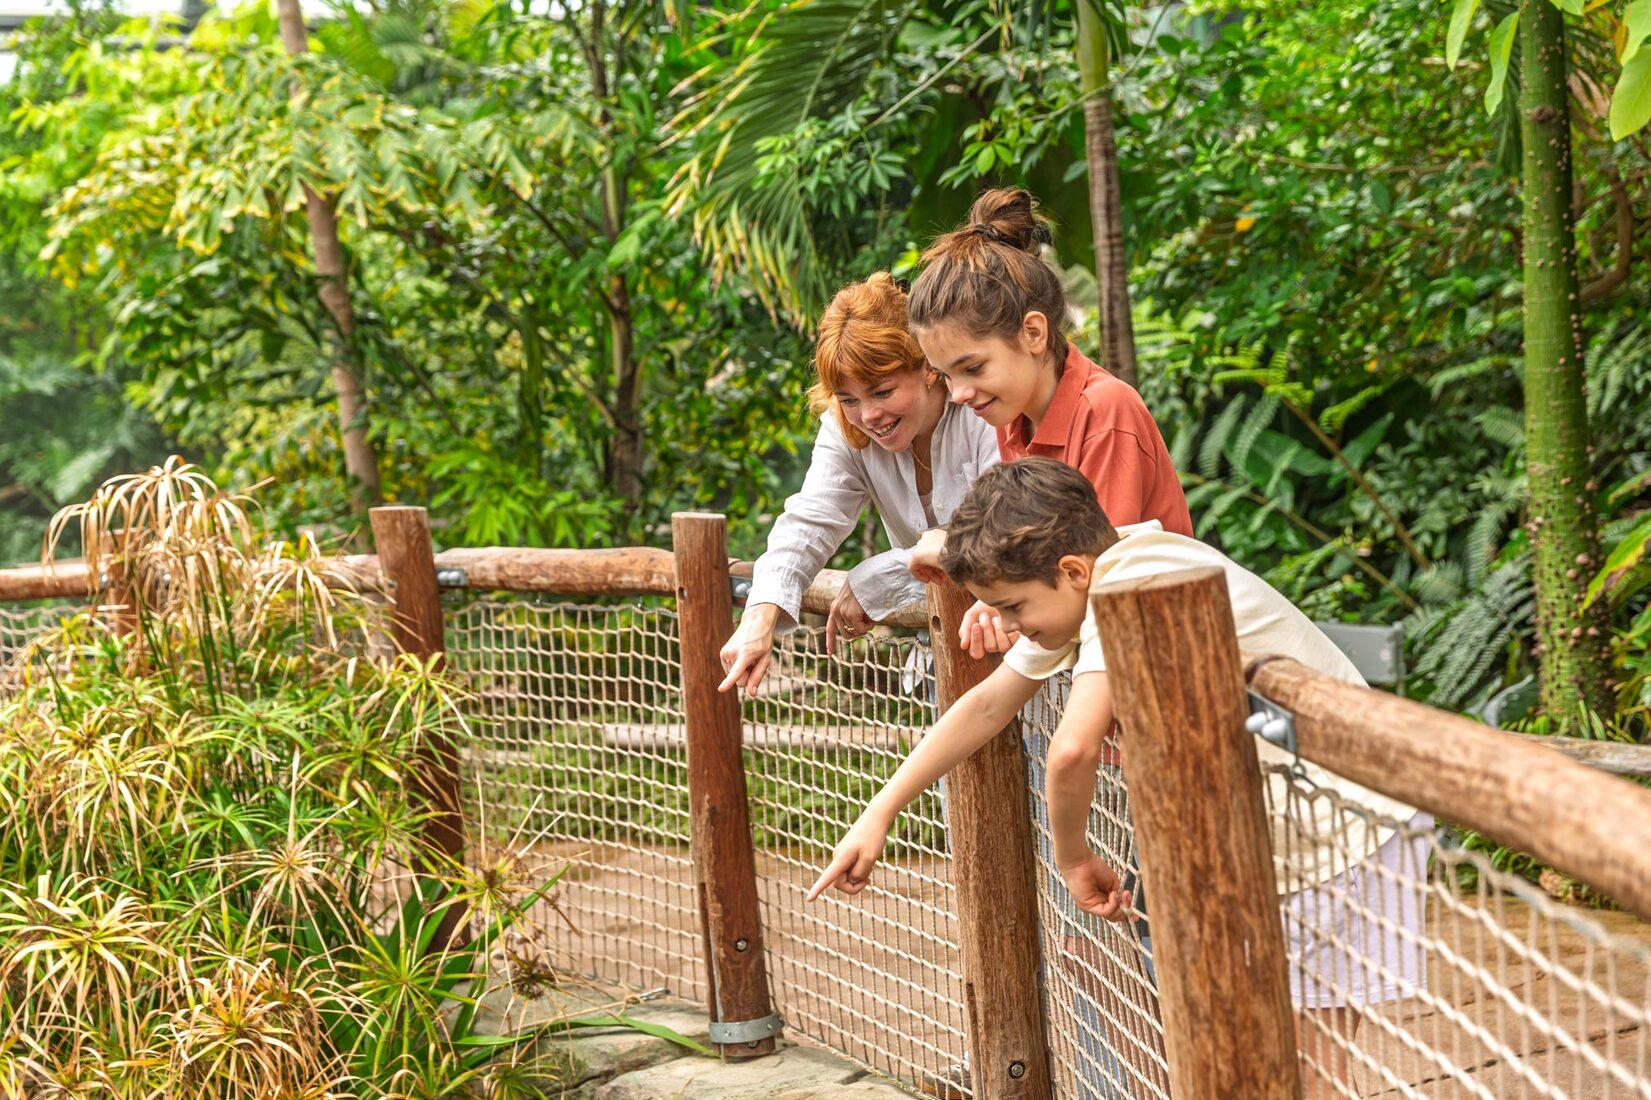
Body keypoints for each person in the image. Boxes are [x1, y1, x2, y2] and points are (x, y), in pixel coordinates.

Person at [812, 458, 1431, 1099]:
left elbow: (1071, 751)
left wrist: (1074, 859)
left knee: (1313, 1063)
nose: (1012, 625)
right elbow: (989, 704)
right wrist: (879, 810)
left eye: (1013, 607)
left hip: (1347, 830)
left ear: (1071, 572)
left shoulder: (1129, 579)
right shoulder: (1087, 578)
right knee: (1253, 1047)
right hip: (1268, 836)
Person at [899, 188, 1192, 658]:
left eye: (972, 368)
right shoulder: (1012, 419)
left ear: (1033, 333)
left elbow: (1091, 584)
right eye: (947, 375)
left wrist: (995, 605)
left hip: (1154, 663)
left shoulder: (1104, 412)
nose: (958, 394)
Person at [719, 273, 999, 696]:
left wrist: (877, 580)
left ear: (926, 366)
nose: (868, 415)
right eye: (848, 399)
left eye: (882, 392)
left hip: (1031, 647)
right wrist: (758, 619)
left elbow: (995, 536)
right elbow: (811, 520)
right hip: (946, 657)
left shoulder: (983, 410)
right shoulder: (845, 429)